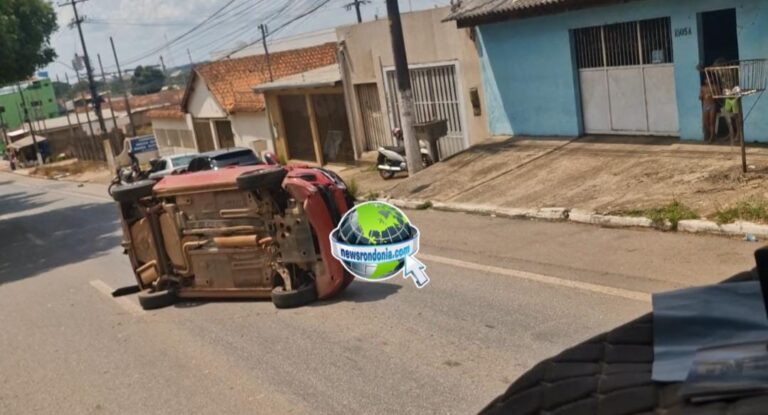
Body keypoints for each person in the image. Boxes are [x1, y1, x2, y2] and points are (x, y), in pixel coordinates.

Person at [700, 79, 717, 143]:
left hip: (712, 105)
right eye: (706, 80)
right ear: (705, 81)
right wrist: (703, 95)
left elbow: (717, 96)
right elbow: (699, 97)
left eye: (709, 79)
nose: (707, 81)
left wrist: (711, 95)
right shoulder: (702, 88)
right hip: (705, 105)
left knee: (712, 122)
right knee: (706, 122)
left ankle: (711, 137)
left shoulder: (714, 87)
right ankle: (713, 134)